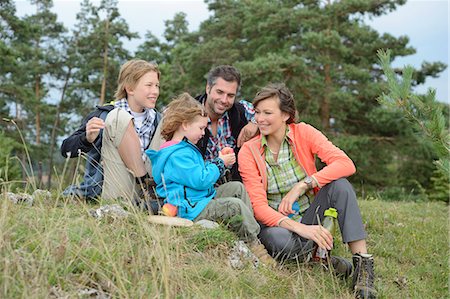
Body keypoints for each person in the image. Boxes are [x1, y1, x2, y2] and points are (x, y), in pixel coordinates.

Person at [238, 83, 376, 298]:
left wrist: (304, 184)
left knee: (340, 185)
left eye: (267, 113)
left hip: (312, 215)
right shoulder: (249, 151)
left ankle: (363, 269)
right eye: (257, 113)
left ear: (285, 115)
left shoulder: (304, 132)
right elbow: (258, 207)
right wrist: (300, 229)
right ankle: (318, 258)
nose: (260, 119)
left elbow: (346, 164)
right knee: (276, 240)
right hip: (279, 225)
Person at [146, 93, 275, 267]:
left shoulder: (184, 148)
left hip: (199, 199)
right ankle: (255, 245)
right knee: (233, 206)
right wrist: (220, 163)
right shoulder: (177, 155)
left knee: (237, 188)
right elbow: (200, 179)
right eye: (200, 128)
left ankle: (246, 233)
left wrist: (218, 161)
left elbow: (197, 175)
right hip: (190, 209)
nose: (203, 133)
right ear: (184, 125)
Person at [61, 59, 162, 208]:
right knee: (118, 117)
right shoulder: (105, 114)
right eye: (149, 85)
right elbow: (66, 149)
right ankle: (143, 184)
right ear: (130, 88)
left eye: (157, 86)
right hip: (116, 188)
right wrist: (87, 138)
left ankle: (154, 195)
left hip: (149, 191)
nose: (155, 91)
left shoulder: (157, 119)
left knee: (171, 120)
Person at [194, 65, 259, 182]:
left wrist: (255, 122)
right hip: (200, 187)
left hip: (235, 182)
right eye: (219, 92)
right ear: (208, 88)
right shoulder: (188, 113)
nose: (224, 100)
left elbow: (278, 114)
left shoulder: (241, 110)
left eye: (230, 95)